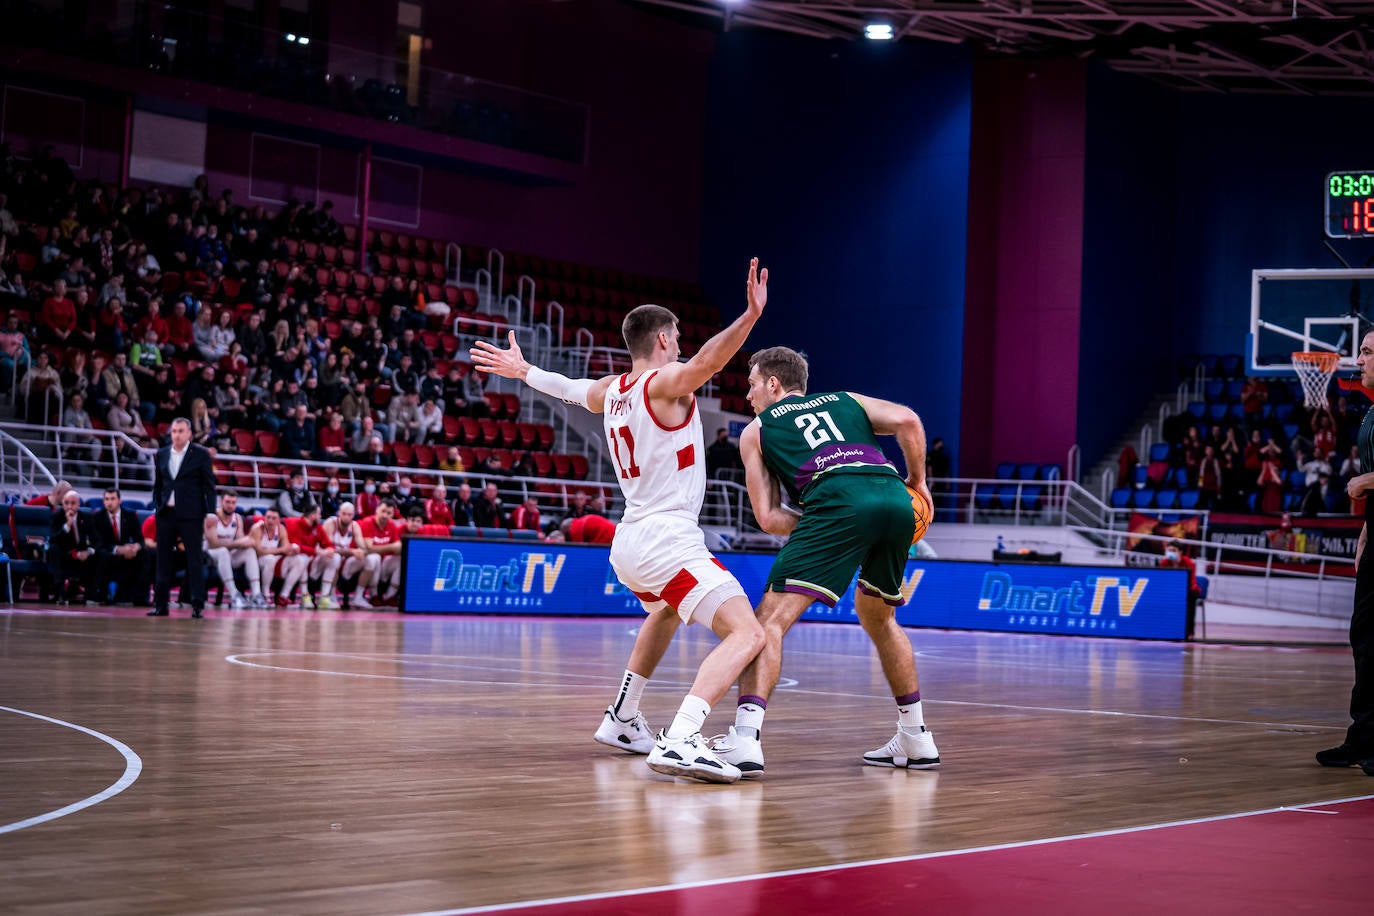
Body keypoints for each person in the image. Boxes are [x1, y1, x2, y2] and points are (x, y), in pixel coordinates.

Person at [470, 257, 769, 784]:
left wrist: (525, 372)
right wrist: (749, 316)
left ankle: (624, 718)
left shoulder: (613, 390)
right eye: (674, 336)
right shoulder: (663, 384)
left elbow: (566, 388)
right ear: (659, 340)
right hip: (666, 539)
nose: (679, 343)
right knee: (748, 635)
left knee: (665, 613)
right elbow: (708, 362)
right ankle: (681, 737)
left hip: (630, 540)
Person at [711, 345, 940, 778]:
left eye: (753, 384)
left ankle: (744, 740)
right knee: (880, 619)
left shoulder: (756, 430)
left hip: (834, 500)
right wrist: (918, 482)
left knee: (768, 622)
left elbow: (768, 517)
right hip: (894, 499)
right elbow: (909, 420)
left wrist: (824, 525)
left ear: (773, 384)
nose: (749, 396)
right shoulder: (846, 400)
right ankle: (916, 735)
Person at [1320, 329, 1374, 775]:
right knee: (1365, 640)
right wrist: (1364, 532)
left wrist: (1367, 482)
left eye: (1368, 351)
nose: (1358, 359)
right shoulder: (1370, 413)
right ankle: (1362, 740)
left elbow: (1367, 481)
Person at [151, 417, 219, 617]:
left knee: (194, 559)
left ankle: (197, 604)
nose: (177, 435)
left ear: (189, 433)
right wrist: (157, 504)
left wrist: (211, 511)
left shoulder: (200, 454)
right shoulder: (162, 454)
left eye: (181, 431)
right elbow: (159, 483)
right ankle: (160, 605)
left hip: (191, 514)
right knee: (162, 559)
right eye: (174, 431)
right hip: (166, 513)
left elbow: (209, 486)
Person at [91, 488, 150, 605]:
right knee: (101, 554)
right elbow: (98, 543)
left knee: (145, 554)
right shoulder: (97, 517)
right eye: (106, 499)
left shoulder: (130, 515)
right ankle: (102, 595)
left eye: (113, 499)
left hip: (128, 556)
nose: (109, 502)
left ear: (119, 501)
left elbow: (140, 540)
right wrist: (118, 549)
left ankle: (141, 598)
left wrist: (135, 547)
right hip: (109, 555)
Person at [313, 501, 368, 610]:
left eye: (350, 515)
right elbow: (329, 548)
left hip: (341, 561)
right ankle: (329, 595)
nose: (347, 517)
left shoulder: (354, 525)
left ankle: (359, 597)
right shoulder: (331, 523)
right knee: (335, 557)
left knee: (370, 559)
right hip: (322, 560)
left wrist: (362, 551)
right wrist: (352, 552)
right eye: (344, 514)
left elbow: (363, 547)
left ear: (353, 515)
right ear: (339, 513)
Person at [250, 507, 307, 608]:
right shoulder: (257, 528)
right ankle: (265, 594)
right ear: (264, 518)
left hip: (271, 559)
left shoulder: (281, 528)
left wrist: (293, 550)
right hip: (255, 561)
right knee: (269, 559)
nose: (270, 520)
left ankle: (283, 596)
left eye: (274, 518)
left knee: (300, 560)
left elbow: (286, 548)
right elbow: (259, 551)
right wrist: (281, 550)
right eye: (268, 517)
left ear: (279, 520)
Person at [48, 488, 95, 604]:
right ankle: (60, 594)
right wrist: (67, 525)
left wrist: (88, 552)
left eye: (73, 503)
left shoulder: (87, 517)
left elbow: (97, 539)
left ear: (78, 504)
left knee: (100, 553)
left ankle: (92, 595)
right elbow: (54, 539)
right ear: (62, 504)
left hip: (82, 555)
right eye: (66, 503)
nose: (69, 506)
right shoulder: (57, 516)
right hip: (65, 555)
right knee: (54, 549)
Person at [359, 499, 403, 607]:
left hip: (384, 566)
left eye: (389, 513)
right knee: (374, 557)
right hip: (366, 563)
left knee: (402, 560)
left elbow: (399, 547)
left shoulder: (392, 526)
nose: (385, 515)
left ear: (392, 514)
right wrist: (390, 547)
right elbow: (368, 549)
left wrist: (379, 548)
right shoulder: (368, 522)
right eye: (383, 511)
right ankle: (373, 596)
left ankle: (389, 596)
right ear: (377, 510)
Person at [281, 502, 324, 608]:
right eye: (318, 514)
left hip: (308, 559)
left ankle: (320, 596)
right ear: (312, 515)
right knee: (302, 558)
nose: (320, 517)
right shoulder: (294, 523)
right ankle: (299, 595)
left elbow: (327, 543)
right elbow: (298, 547)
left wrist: (330, 550)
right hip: (289, 558)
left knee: (331, 558)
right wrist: (316, 551)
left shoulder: (317, 527)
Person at [1159, 539, 1202, 639]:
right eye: (1169, 550)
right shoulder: (1164, 563)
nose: (1170, 552)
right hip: (1171, 591)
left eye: (1173, 550)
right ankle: (1163, 629)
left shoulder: (1189, 563)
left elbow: (1191, 582)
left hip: (1187, 591)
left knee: (1191, 598)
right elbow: (1162, 580)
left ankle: (1189, 632)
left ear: (1180, 552)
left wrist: (1181, 591)